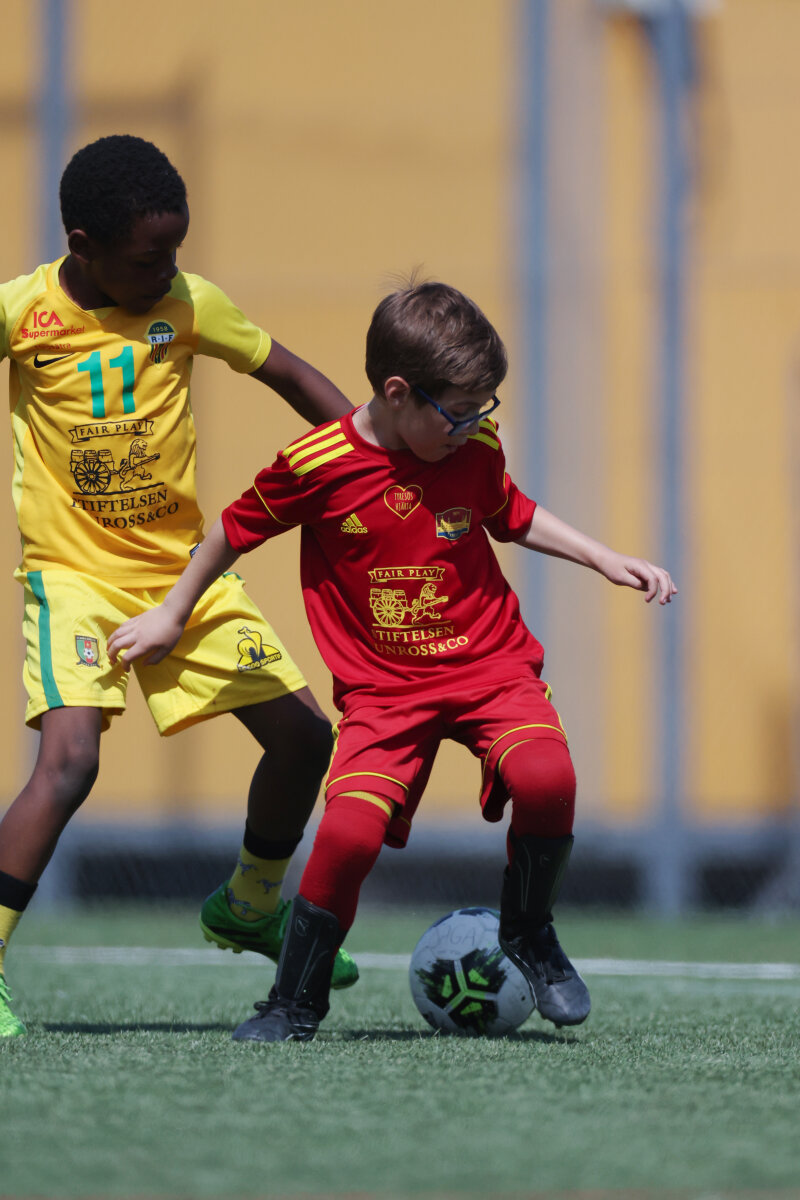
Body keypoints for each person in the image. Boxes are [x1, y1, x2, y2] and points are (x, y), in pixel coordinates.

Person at [108, 280, 677, 1043]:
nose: (473, 426)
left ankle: (529, 932)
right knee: (346, 835)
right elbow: (232, 531)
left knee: (549, 777)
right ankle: (293, 1003)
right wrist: (172, 613)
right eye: (458, 411)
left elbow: (510, 512)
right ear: (398, 392)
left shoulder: (472, 447)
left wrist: (605, 558)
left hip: (489, 668)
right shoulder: (317, 463)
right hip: (385, 694)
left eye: (483, 409)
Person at [0, 134, 360, 1039]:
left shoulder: (189, 305)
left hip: (182, 577)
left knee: (303, 737)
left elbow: (288, 373)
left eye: (175, 252)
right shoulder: (22, 313)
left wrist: (372, 460)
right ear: (82, 245)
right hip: (74, 581)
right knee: (71, 764)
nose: (166, 271)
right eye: (146, 258)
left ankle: (249, 903)